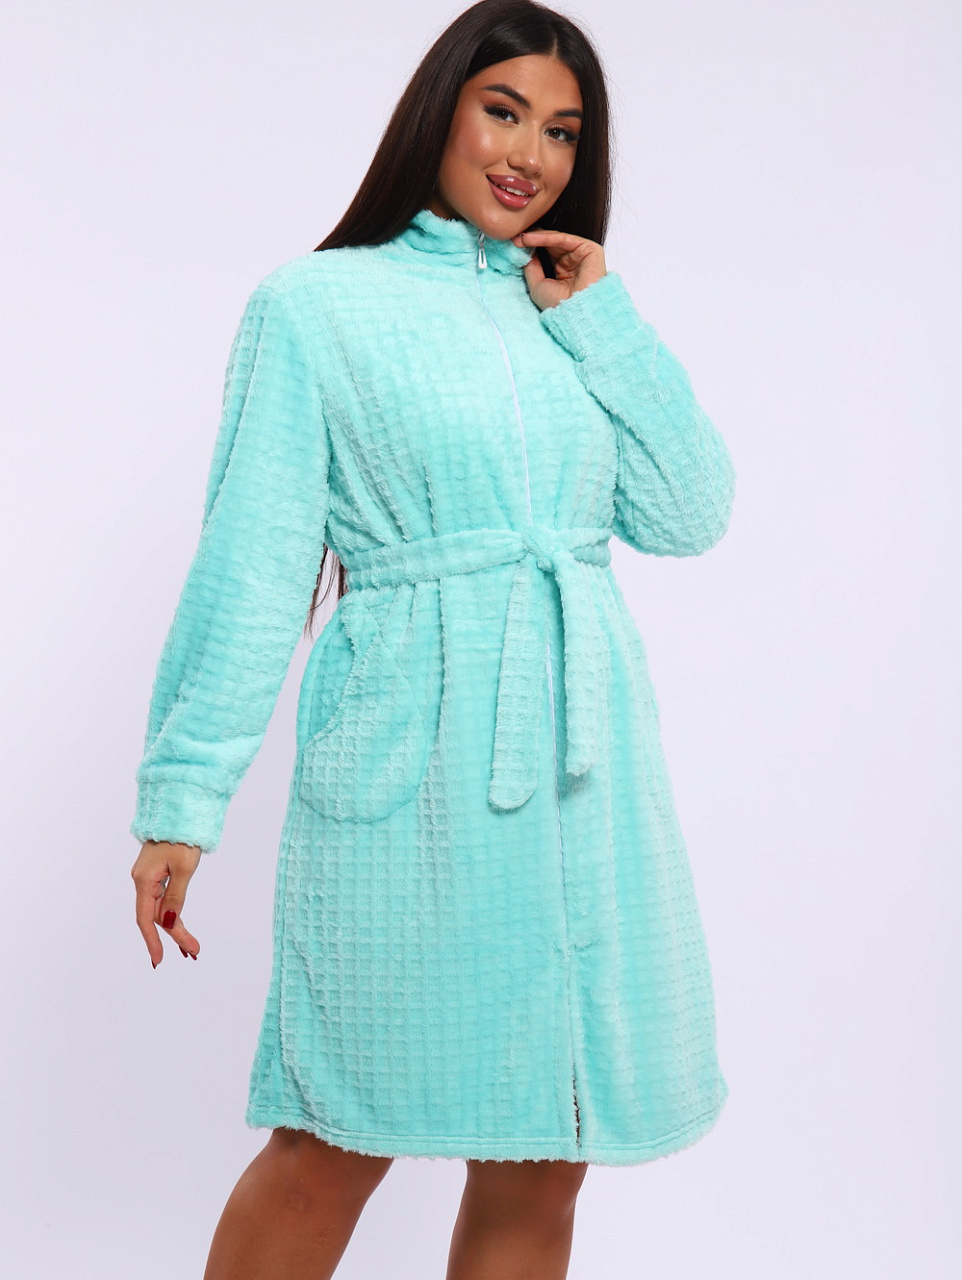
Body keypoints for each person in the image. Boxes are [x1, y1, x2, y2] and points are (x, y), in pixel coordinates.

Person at [128, 1, 737, 1276]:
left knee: (545, 1148)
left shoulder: (566, 311)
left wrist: (603, 319)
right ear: (439, 113)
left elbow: (686, 511)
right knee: (331, 1135)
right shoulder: (315, 305)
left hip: (582, 778)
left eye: (561, 132)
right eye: (502, 112)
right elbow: (253, 564)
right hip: (412, 769)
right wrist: (182, 801)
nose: (530, 155)